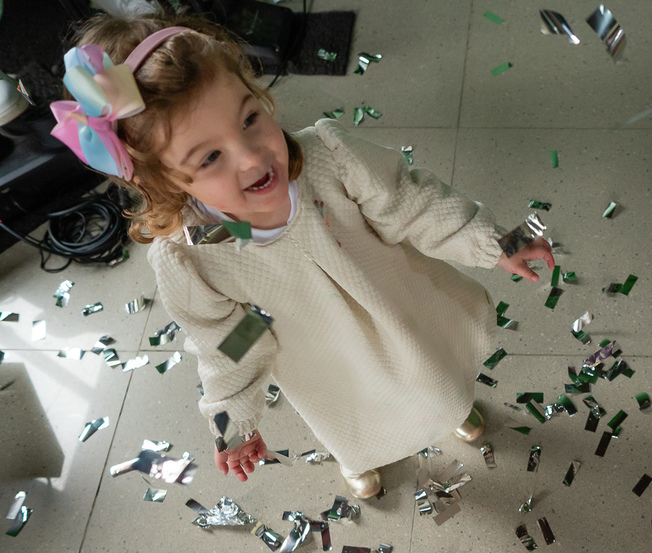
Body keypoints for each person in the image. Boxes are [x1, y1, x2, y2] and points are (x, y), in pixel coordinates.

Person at [55, 13, 550, 499]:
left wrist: (494, 242)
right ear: (164, 182)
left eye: (250, 119)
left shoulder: (329, 159)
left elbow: (412, 205)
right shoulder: (195, 260)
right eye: (210, 157)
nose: (252, 156)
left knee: (433, 374)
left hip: (399, 307)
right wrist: (233, 423)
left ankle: (450, 409)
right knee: (353, 423)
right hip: (324, 362)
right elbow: (230, 344)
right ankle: (359, 458)